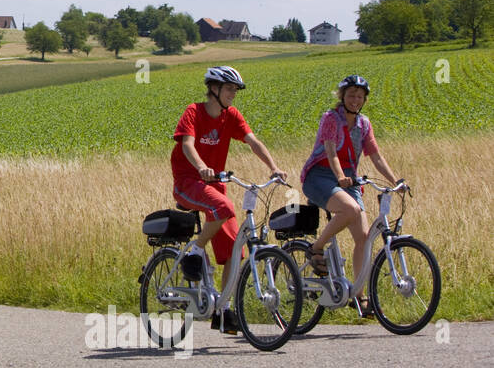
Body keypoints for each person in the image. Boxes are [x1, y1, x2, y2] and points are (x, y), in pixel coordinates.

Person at [170, 67, 286, 334]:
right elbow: (187, 144)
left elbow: (253, 141)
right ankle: (197, 251)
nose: (234, 94)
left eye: (236, 90)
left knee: (236, 248)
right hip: (189, 183)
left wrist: (273, 167)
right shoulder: (194, 111)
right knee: (224, 207)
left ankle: (223, 309)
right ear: (214, 88)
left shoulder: (230, 116)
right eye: (230, 89)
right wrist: (201, 167)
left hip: (215, 188)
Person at [299, 75, 403, 316]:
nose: (355, 100)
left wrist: (395, 181)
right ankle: (316, 248)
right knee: (350, 209)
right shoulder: (330, 118)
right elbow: (330, 151)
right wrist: (339, 177)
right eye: (351, 95)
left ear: (364, 99)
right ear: (342, 96)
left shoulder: (364, 124)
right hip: (320, 176)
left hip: (350, 179)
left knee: (364, 239)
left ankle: (359, 296)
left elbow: (376, 156)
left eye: (360, 96)